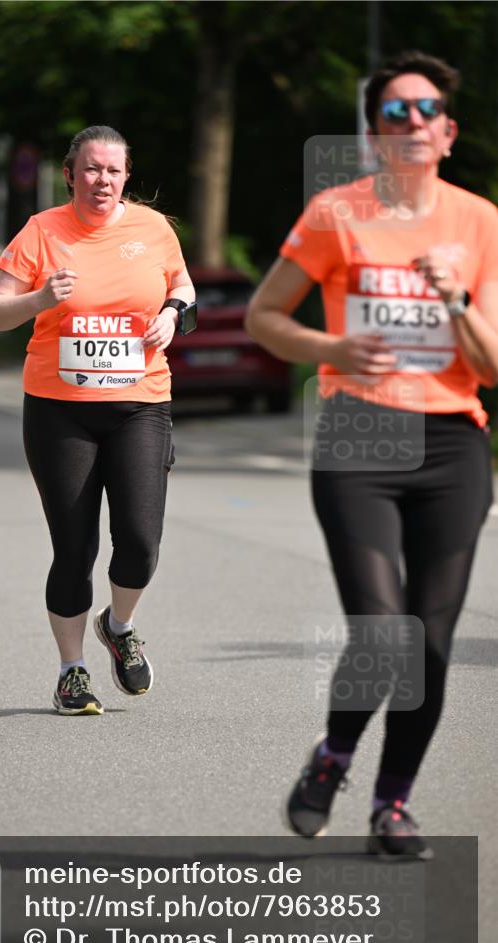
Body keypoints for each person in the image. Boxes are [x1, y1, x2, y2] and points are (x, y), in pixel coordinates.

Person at [246, 52, 498, 858]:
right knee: (382, 632)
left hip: (454, 441)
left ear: (448, 132)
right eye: (395, 113)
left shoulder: (480, 222)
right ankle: (333, 758)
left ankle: (392, 805)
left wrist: (454, 299)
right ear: (374, 134)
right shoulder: (335, 213)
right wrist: (332, 347)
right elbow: (263, 316)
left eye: (425, 110)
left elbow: (492, 366)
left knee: (428, 641)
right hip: (358, 431)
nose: (412, 123)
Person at [0, 124, 195, 716]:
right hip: (59, 412)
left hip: (141, 404)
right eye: (92, 170)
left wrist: (175, 313)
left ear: (127, 177)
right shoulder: (41, 232)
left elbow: (182, 283)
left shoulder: (152, 228)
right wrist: (37, 300)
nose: (103, 180)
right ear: (70, 174)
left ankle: (119, 626)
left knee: (141, 543)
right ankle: (71, 672)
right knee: (73, 549)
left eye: (114, 171)